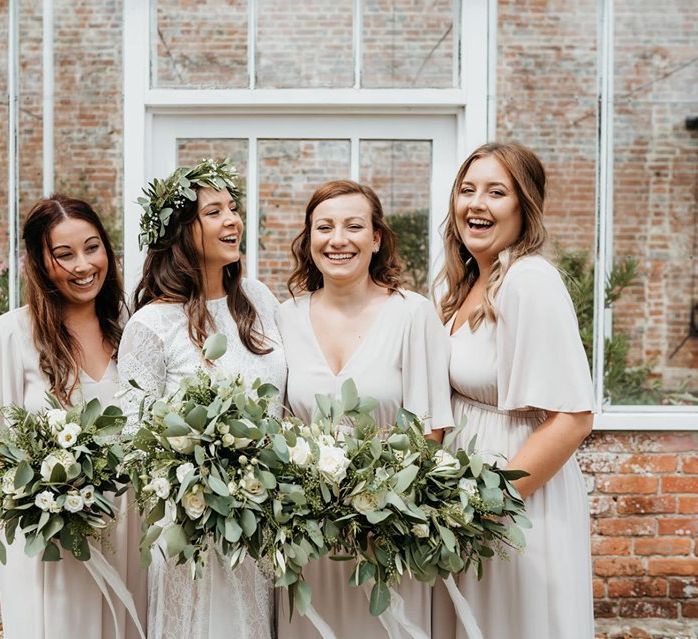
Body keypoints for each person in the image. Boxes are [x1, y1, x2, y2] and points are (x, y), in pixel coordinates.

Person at [118, 158, 286, 639]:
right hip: (195, 528)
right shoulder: (151, 325)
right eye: (214, 212)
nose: (233, 220)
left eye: (233, 208)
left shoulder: (258, 298)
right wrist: (208, 472)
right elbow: (136, 440)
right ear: (179, 231)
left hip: (267, 514)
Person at [277, 179, 453, 638]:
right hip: (307, 539)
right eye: (324, 227)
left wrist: (378, 504)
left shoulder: (413, 315)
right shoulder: (284, 318)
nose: (338, 239)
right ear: (309, 239)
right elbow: (276, 425)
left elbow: (431, 435)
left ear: (376, 239)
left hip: (386, 536)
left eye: (354, 226)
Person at [433, 142, 594, 639]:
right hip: (463, 493)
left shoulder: (531, 281)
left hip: (515, 494)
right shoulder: (460, 288)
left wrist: (493, 503)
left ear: (525, 208)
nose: (475, 204)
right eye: (467, 190)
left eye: (495, 192)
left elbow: (572, 417)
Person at [0, 194, 147, 639]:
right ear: (40, 264)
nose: (83, 265)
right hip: (54, 548)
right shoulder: (13, 334)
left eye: (92, 247)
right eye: (64, 255)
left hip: (130, 534)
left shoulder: (135, 327)